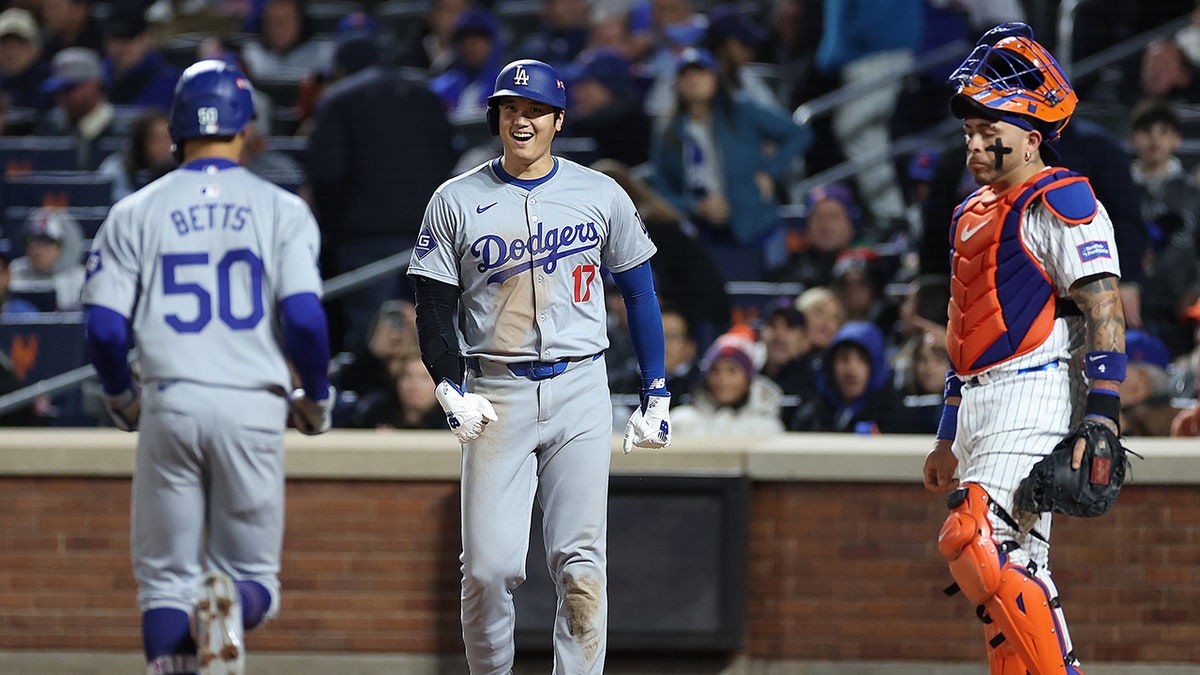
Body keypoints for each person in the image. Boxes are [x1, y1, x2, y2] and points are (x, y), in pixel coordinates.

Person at [407, 58, 671, 674]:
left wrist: (655, 391)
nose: (520, 120)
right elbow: (431, 306)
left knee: (581, 566)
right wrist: (448, 385)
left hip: (582, 384)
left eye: (533, 111)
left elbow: (640, 292)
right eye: (509, 109)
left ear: (557, 120)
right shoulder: (456, 198)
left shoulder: (600, 192)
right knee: (489, 569)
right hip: (495, 389)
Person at [80, 60, 333, 675]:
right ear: (247, 126)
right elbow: (303, 319)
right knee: (255, 583)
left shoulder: (135, 210)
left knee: (165, 581)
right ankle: (228, 604)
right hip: (255, 400)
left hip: (171, 397)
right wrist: (317, 396)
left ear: (175, 127)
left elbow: (104, 329)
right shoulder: (282, 207)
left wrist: (121, 397)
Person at [922, 23, 1127, 675]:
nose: (976, 145)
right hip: (981, 402)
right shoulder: (969, 212)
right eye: (970, 133)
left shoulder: (1061, 199)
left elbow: (1103, 307)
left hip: (1037, 387)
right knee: (1007, 573)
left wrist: (1103, 411)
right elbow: (963, 334)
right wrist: (948, 433)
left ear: (1033, 135)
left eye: (991, 132)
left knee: (977, 541)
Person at [304, 48, 456, 352]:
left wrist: (334, 229)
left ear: (342, 69)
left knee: (370, 339)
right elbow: (448, 162)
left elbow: (325, 174)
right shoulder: (425, 96)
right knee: (436, 339)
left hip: (364, 244)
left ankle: (375, 400)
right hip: (429, 241)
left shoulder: (338, 99)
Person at [649, 47, 812, 275]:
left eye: (700, 72)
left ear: (715, 78)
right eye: (685, 75)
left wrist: (770, 172)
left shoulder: (741, 110)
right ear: (677, 85)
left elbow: (798, 133)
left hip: (755, 223)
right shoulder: (667, 133)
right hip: (703, 233)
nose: (693, 80)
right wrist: (696, 207)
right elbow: (661, 193)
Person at [814, 0, 922, 229]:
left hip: (876, 51)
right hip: (864, 53)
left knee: (854, 128)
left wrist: (854, 36)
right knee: (867, 134)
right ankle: (892, 214)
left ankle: (893, 215)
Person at [1127, 97, 1200, 358]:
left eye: (1163, 132)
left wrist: (1195, 292)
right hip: (1129, 309)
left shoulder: (1193, 194)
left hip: (1180, 311)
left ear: (1177, 139)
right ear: (1132, 139)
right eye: (1147, 132)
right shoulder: (1119, 191)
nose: (1154, 140)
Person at [788, 320, 911, 433]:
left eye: (862, 359)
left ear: (876, 366)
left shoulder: (896, 416)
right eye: (843, 358)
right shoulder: (811, 415)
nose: (851, 369)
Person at [671, 331, 785, 437]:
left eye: (732, 371)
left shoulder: (767, 428)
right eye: (715, 370)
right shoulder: (681, 421)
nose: (723, 380)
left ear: (748, 379)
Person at [35, 47, 121, 171]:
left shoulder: (120, 131)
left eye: (70, 90)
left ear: (94, 85)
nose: (62, 98)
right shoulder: (50, 126)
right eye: (59, 91)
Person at [101, 5, 179, 111]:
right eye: (115, 38)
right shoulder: (97, 77)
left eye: (129, 38)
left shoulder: (168, 79)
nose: (121, 46)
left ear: (146, 38)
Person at [7, 207, 87, 311]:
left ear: (63, 246)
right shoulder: (12, 272)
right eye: (32, 241)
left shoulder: (81, 278)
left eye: (47, 243)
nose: (38, 250)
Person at [96, 109, 176, 202]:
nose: (166, 145)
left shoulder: (183, 170)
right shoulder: (115, 169)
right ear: (141, 143)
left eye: (169, 138)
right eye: (157, 139)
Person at [0, 7, 53, 112]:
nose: (11, 52)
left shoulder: (49, 80)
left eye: (20, 44)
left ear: (36, 48)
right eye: (5, 44)